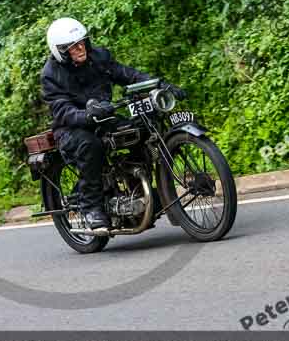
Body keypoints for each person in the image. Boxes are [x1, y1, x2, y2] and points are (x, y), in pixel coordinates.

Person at [40, 17, 186, 231]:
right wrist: (86, 114)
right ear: (60, 51)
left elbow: (128, 74)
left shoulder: (99, 57)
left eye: (82, 42)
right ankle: (91, 207)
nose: (80, 48)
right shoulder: (51, 74)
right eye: (72, 47)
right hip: (72, 128)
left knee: (141, 131)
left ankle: (138, 193)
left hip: (105, 117)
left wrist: (159, 84)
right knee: (91, 145)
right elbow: (62, 109)